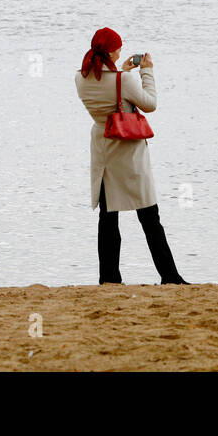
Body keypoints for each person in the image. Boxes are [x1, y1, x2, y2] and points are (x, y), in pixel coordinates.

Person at [74, 27, 188, 285]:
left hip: (102, 147)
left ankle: (109, 278)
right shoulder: (122, 80)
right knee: (149, 216)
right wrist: (146, 71)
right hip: (127, 149)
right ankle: (170, 275)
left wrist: (121, 70)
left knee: (108, 216)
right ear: (113, 50)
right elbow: (150, 103)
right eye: (119, 47)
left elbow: (108, 93)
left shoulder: (81, 78)